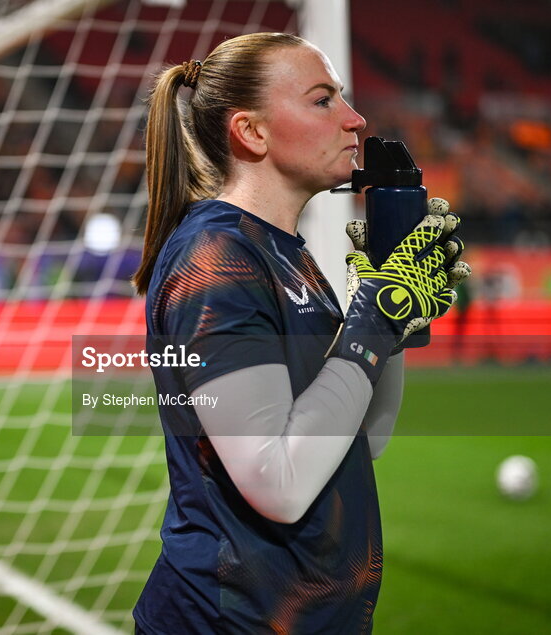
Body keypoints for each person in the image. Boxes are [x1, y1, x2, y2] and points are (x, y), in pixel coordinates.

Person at [131, 33, 469, 633]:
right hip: (230, 621)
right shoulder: (216, 257)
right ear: (251, 132)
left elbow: (363, 438)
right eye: (322, 100)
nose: (355, 118)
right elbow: (278, 484)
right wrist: (373, 320)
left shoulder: (286, 253)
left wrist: (394, 325)